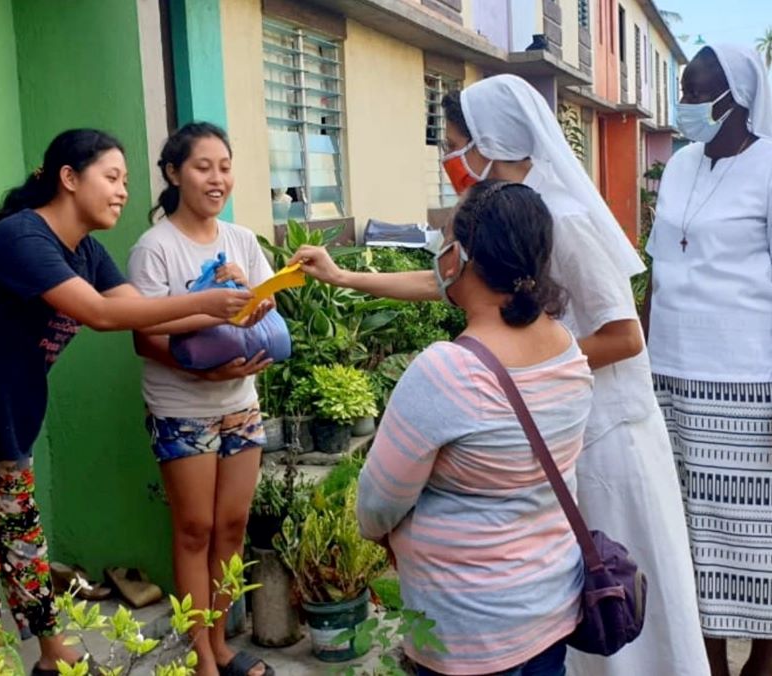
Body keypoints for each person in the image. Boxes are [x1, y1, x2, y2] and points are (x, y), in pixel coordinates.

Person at [293, 74, 708, 676]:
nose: (447, 157)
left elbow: (623, 335)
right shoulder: (500, 224)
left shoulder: (561, 219)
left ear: (488, 141)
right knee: (549, 597)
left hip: (596, 434)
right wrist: (346, 277)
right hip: (541, 425)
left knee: (607, 604)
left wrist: (517, 373)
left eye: (454, 141)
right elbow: (445, 280)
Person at [0, 128, 252, 675]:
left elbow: (148, 309)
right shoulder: (24, 238)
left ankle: (50, 649)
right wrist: (211, 303)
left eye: (127, 181)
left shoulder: (84, 251)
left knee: (23, 541)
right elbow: (104, 316)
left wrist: (235, 309)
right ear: (68, 178)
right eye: (111, 178)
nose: (123, 192)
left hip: (14, 418)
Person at [358, 180, 591, 675]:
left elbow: (377, 504)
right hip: (551, 610)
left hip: (469, 632)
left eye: (445, 238)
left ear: (459, 257)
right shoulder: (568, 351)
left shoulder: (446, 373)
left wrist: (390, 539)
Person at [127, 122, 275, 676]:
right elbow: (145, 336)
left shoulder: (241, 240)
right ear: (174, 173)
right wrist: (205, 375)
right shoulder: (155, 247)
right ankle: (201, 656)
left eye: (225, 167)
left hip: (242, 403)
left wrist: (252, 293)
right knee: (194, 530)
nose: (217, 179)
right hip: (182, 408)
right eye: (202, 167)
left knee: (232, 526)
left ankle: (221, 640)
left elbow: (266, 315)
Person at [646, 44, 772, 676]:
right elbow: (658, 269)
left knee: (750, 533)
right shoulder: (680, 164)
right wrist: (641, 361)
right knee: (686, 528)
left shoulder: (771, 166)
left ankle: (763, 659)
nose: (685, 105)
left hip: (748, 382)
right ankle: (710, 659)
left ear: (735, 98)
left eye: (695, 93)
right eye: (684, 91)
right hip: (670, 376)